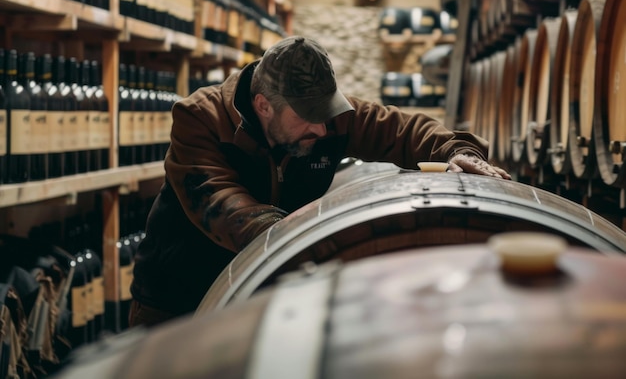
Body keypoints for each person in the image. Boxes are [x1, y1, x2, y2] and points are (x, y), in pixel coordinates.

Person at [129, 35, 510, 327]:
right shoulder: (200, 118)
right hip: (178, 297)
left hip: (261, 284)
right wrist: (302, 240)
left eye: (326, 113)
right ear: (263, 105)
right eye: (308, 116)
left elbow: (404, 131)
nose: (322, 127)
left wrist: (457, 152)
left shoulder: (328, 120)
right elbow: (220, 204)